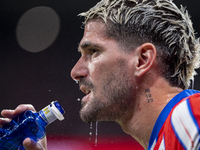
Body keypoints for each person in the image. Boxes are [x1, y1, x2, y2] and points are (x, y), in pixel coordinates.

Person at [1, 0, 200, 149]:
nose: (75, 72)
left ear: (142, 60)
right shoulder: (171, 137)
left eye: (93, 52)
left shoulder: (192, 117)